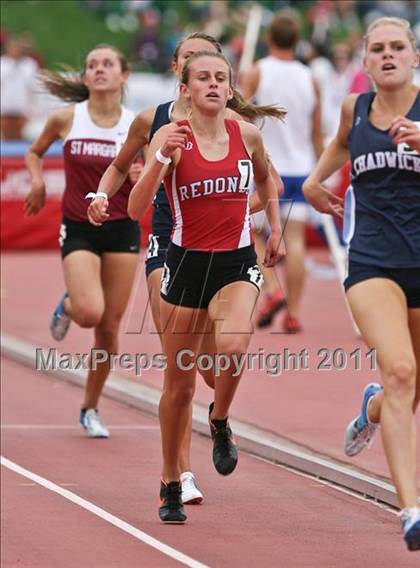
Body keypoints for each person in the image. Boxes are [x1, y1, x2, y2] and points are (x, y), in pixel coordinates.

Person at [88, 32, 284, 506]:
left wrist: (253, 217)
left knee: (225, 360)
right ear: (182, 76)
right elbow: (124, 181)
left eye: (219, 74)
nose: (211, 80)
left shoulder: (240, 128)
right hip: (169, 248)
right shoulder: (157, 125)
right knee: (183, 373)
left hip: (232, 256)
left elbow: (267, 179)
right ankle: (177, 476)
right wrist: (104, 191)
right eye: (197, 68)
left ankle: (218, 419)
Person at [303, 17, 420, 551]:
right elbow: (330, 157)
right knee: (400, 370)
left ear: (414, 57)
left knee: (406, 392)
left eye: (399, 47)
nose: (389, 55)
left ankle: (372, 408)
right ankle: (412, 511)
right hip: (372, 262)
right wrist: (311, 183)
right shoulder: (355, 110)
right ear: (366, 62)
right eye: (379, 49)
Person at [24, 44, 140, 440]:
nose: (99, 69)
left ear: (123, 75)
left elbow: (154, 169)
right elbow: (34, 153)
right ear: (86, 77)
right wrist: (37, 181)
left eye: (107, 64)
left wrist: (144, 176)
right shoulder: (66, 118)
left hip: (123, 227)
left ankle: (90, 407)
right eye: (91, 65)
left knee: (108, 330)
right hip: (79, 227)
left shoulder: (135, 125)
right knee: (90, 312)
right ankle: (70, 303)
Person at [240, 10, 323, 332]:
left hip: (266, 167)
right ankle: (295, 312)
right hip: (300, 167)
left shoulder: (257, 71)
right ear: (297, 40)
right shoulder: (310, 77)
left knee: (250, 230)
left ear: (269, 38)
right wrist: (319, 172)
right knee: (295, 240)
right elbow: (316, 132)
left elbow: (241, 117)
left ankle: (273, 290)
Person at [1, 36, 38, 140]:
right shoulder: (2, 63)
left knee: (20, 137)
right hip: (4, 109)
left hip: (21, 109)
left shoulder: (29, 64)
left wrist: (32, 109)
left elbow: (32, 88)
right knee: (5, 137)